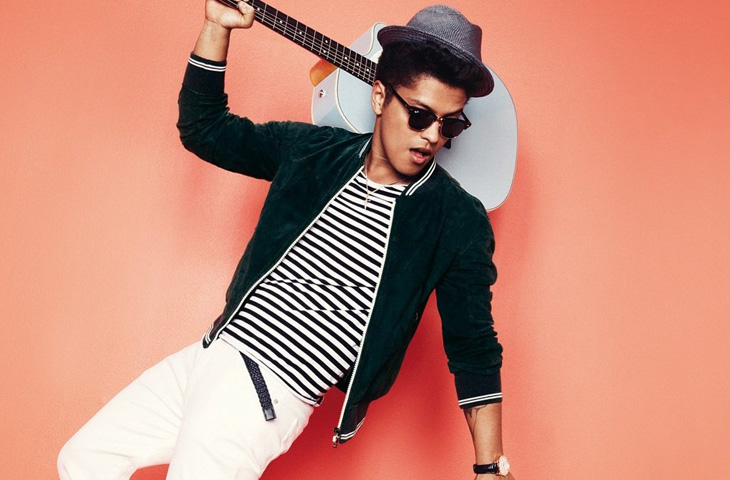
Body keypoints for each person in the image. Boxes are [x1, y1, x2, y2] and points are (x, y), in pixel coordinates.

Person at [57, 2, 514, 479]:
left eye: (450, 124)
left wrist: (490, 466)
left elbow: (474, 347)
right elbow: (205, 130)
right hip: (211, 354)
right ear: (380, 96)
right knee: (85, 458)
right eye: (419, 116)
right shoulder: (314, 152)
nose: (433, 136)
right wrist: (216, 27)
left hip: (266, 387)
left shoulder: (456, 219)